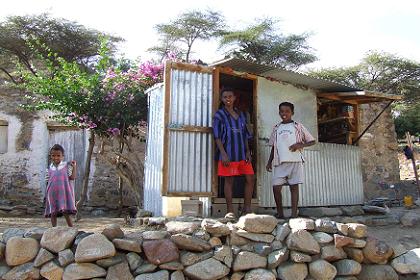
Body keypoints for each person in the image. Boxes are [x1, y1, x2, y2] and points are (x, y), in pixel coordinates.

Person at [266, 102, 315, 218]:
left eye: (287, 111)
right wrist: (269, 161)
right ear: (279, 113)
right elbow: (274, 146)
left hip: (295, 161)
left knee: (294, 187)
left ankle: (294, 214)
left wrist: (300, 145)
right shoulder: (277, 128)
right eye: (282, 111)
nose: (284, 113)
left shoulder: (298, 126)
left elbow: (312, 141)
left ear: (292, 113)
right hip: (280, 162)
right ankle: (280, 213)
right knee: (276, 187)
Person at [213, 88, 254, 219]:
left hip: (242, 154)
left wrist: (248, 151)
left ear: (234, 97)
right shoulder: (219, 115)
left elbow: (245, 135)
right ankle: (230, 211)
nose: (228, 99)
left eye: (230, 96)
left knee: (250, 178)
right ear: (222, 99)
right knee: (229, 180)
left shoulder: (241, 114)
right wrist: (223, 154)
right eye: (225, 97)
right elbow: (217, 136)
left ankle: (247, 209)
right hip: (228, 154)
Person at [44, 144, 77, 227]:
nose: (56, 158)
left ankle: (71, 228)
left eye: (58, 155)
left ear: (63, 156)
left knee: (65, 211)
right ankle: (53, 229)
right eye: (53, 155)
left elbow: (72, 177)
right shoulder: (49, 168)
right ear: (50, 156)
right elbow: (48, 181)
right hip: (52, 193)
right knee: (53, 212)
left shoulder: (66, 166)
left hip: (63, 193)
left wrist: (74, 167)